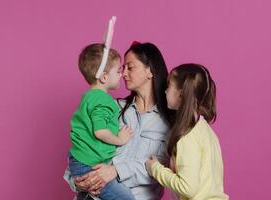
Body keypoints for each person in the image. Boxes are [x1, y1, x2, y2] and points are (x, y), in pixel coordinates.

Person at [64, 42, 173, 200]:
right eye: (122, 68)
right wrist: (77, 181)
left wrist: (116, 170)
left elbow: (161, 168)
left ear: (149, 71)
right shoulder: (113, 108)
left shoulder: (168, 121)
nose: (123, 73)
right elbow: (83, 145)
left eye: (130, 67)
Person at [145, 64, 229, 200]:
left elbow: (187, 188)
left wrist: (155, 169)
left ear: (181, 93)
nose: (165, 91)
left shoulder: (187, 135)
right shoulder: (206, 130)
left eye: (169, 86)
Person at [68, 43, 135, 200]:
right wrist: (120, 139)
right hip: (88, 167)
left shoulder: (89, 96)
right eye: (118, 71)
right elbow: (100, 131)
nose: (122, 74)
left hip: (80, 163)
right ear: (104, 77)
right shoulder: (103, 100)